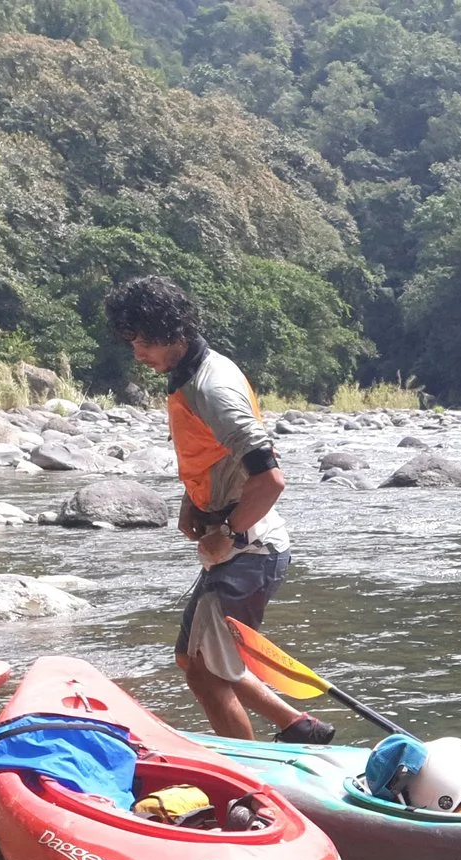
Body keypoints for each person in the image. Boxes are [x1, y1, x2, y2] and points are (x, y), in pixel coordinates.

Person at [102, 274, 332, 745]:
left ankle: (251, 777)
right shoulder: (190, 374)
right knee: (193, 658)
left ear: (173, 330)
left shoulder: (212, 388)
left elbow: (270, 479)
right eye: (131, 341)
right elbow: (214, 455)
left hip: (249, 551)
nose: (137, 353)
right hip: (241, 547)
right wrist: (194, 500)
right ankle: (298, 725)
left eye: (143, 340)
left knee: (206, 675)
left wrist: (226, 531)